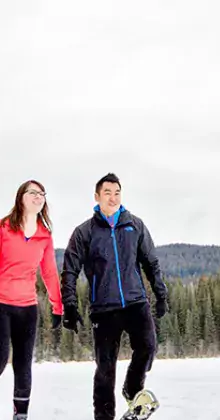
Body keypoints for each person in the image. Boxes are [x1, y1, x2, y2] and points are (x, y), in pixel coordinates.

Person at [61, 172, 169, 420]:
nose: (113, 197)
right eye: (107, 192)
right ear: (97, 196)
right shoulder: (85, 232)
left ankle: (132, 389)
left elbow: (151, 261)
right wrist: (69, 303)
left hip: (135, 302)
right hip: (104, 308)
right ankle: (104, 416)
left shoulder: (135, 225)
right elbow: (70, 269)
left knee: (148, 346)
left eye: (117, 192)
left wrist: (160, 293)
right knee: (105, 368)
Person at [0, 180, 63, 420]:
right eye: (33, 193)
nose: (38, 197)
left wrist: (58, 306)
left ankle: (21, 416)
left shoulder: (44, 236)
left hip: (27, 307)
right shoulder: (2, 228)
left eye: (42, 194)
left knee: (23, 366)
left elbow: (49, 272)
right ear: (21, 197)